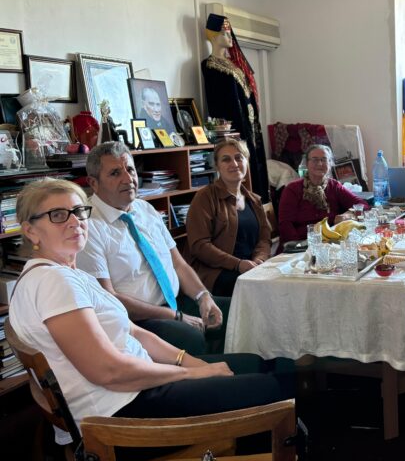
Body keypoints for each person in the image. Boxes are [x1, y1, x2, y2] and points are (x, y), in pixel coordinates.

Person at [9, 178, 285, 434]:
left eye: (79, 211)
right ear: (31, 231)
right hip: (123, 413)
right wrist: (192, 373)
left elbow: (134, 332)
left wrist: (191, 362)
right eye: (58, 215)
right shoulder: (54, 282)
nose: (75, 222)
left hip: (137, 385)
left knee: (257, 364)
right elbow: (109, 372)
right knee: (276, 390)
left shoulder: (71, 273)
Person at [77, 142, 228, 355]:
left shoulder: (145, 208)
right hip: (139, 320)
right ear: (94, 183)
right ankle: (213, 372)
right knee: (190, 337)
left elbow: (178, 264)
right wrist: (175, 316)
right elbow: (108, 298)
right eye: (115, 173)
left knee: (236, 311)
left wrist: (203, 296)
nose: (128, 179)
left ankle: (245, 369)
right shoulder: (88, 227)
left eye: (130, 170)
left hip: (176, 302)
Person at [185, 138, 272, 297]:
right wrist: (238, 264)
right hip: (216, 273)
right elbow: (199, 245)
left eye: (239, 157)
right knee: (261, 291)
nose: (234, 163)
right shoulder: (205, 197)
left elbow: (264, 238)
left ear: (246, 162)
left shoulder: (254, 200)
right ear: (217, 166)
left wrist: (259, 260)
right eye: (226, 159)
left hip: (251, 268)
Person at [202, 14, 270, 202]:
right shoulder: (210, 65)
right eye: (225, 33)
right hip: (235, 128)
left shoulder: (234, 65)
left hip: (250, 124)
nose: (230, 38)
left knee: (256, 165)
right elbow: (218, 102)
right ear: (213, 35)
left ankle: (261, 205)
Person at [278, 144, 369, 248]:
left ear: (330, 164)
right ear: (307, 163)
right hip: (298, 245)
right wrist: (301, 246)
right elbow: (285, 225)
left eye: (324, 160)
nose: (320, 164)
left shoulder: (334, 186)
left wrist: (347, 215)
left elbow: (363, 205)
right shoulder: (292, 189)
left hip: (330, 244)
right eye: (315, 160)